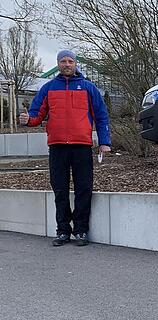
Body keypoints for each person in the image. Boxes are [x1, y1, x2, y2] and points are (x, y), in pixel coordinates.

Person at [19, 50, 111, 247]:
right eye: (63, 61)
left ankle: (81, 230)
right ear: (58, 64)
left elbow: (101, 116)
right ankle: (62, 231)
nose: (67, 64)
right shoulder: (48, 88)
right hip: (57, 146)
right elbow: (36, 115)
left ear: (75, 64)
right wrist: (28, 121)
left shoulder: (88, 88)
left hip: (82, 146)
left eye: (70, 61)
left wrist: (105, 142)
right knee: (60, 189)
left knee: (83, 189)